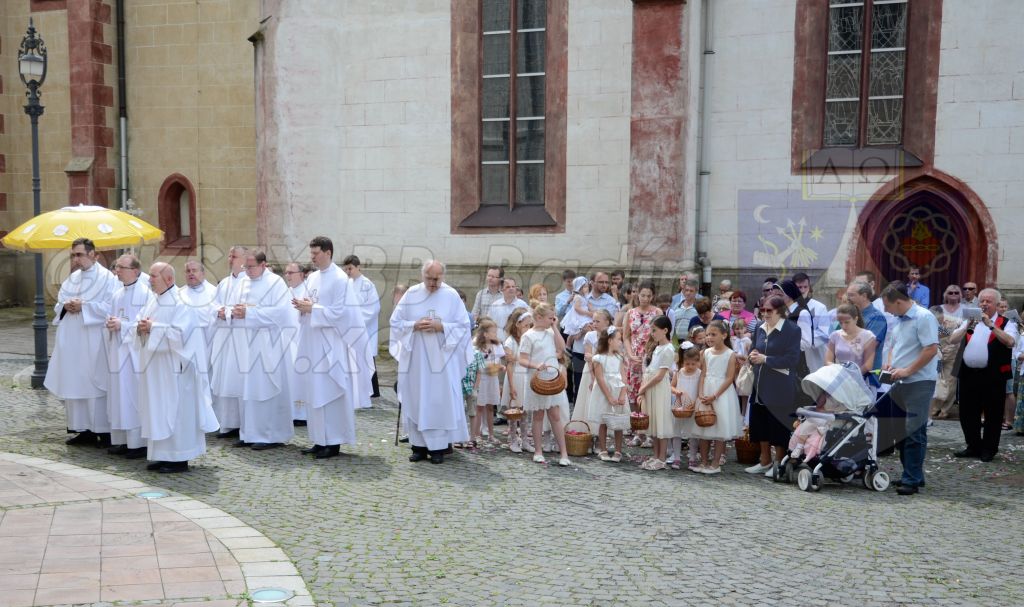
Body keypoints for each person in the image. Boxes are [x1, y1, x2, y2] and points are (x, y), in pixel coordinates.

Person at [132, 262, 219, 473]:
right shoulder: (154, 300)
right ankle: (162, 455)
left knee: (176, 411)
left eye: (154, 276)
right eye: (150, 276)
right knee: (158, 409)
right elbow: (141, 322)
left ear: (169, 279)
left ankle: (179, 458)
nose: (150, 279)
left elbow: (181, 335)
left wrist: (152, 327)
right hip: (156, 368)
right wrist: (141, 327)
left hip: (175, 368)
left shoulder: (182, 302)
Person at [390, 260, 472, 464]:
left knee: (438, 401)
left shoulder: (451, 296)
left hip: (441, 362)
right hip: (417, 360)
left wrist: (441, 326)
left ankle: (438, 449)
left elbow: (463, 327)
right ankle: (418, 447)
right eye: (429, 278)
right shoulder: (412, 294)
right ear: (422, 275)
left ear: (443, 277)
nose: (433, 283)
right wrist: (414, 325)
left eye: (437, 279)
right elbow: (396, 322)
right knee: (417, 398)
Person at [293, 236, 367, 459]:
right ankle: (318, 439)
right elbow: (312, 304)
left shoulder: (340, 279)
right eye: (311, 253)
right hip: (312, 342)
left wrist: (312, 309)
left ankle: (333, 442)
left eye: (316, 253)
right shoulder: (313, 277)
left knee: (330, 391)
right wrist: (302, 307)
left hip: (331, 345)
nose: (312, 257)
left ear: (328, 252)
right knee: (314, 390)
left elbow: (342, 313)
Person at [45, 238, 118, 448]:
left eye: (80, 254)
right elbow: (59, 303)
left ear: (93, 255)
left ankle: (103, 432)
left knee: (95, 382)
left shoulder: (107, 279)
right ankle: (82, 429)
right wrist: (66, 306)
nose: (76, 259)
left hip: (95, 339)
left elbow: (110, 306)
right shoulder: (72, 278)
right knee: (75, 382)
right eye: (74, 255)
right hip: (73, 339)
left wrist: (84, 306)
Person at [231, 251, 295, 451]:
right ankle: (249, 432)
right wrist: (231, 312)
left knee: (266, 388)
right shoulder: (242, 282)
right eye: (245, 267)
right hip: (246, 343)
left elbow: (283, 313)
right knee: (248, 390)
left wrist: (250, 313)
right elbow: (235, 306)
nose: (247, 271)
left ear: (263, 265)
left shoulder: (276, 283)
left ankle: (270, 434)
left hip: (269, 344)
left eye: (251, 267)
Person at [880, 281, 939, 495]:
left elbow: (931, 349)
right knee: (902, 432)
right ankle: (912, 474)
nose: (885, 310)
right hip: (900, 381)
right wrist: (890, 363)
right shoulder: (899, 319)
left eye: (887, 305)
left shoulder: (923, 317)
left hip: (919, 382)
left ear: (898, 301)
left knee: (914, 430)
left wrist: (907, 370)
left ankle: (911, 479)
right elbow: (895, 346)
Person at [950, 288, 1017, 462]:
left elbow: (1010, 342)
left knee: (993, 414)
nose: (985, 304)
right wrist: (967, 327)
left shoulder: (1006, 322)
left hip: (993, 376)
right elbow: (952, 339)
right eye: (982, 301)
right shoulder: (970, 321)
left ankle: (989, 448)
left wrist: (991, 325)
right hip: (968, 374)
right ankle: (973, 445)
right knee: (967, 413)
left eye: (988, 301)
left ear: (996, 304)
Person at [744, 295, 801, 476]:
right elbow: (755, 348)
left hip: (780, 385)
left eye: (769, 310)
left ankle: (778, 463)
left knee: (777, 425)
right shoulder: (760, 328)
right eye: (762, 310)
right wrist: (752, 356)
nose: (765, 313)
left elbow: (792, 359)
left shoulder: (792, 330)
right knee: (760, 422)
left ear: (780, 311)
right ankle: (765, 460)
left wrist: (765, 359)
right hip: (760, 383)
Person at [101, 254, 151, 459]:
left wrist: (123, 326)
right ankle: (121, 440)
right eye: (116, 267)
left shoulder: (145, 293)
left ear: (135, 271)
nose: (117, 271)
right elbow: (113, 317)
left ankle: (138, 443)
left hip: (134, 355)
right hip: (118, 352)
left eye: (121, 267)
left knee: (133, 396)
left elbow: (145, 324)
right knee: (118, 397)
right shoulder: (117, 294)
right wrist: (111, 323)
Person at [519, 303, 571, 466]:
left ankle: (564, 453)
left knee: (555, 415)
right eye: (550, 318)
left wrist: (555, 328)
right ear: (539, 317)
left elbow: (562, 348)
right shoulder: (528, 336)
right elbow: (522, 359)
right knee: (538, 415)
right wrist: (536, 365)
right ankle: (538, 451)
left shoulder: (550, 332)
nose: (553, 320)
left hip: (552, 378)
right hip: (537, 379)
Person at [209, 245, 249, 439]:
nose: (230, 258)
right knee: (224, 379)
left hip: (240, 339)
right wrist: (218, 310)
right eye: (230, 255)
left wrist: (228, 312)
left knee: (238, 380)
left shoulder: (248, 282)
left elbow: (245, 308)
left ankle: (242, 423)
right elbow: (214, 304)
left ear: (244, 259)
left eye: (234, 256)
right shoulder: (223, 283)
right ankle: (227, 423)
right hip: (224, 337)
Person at [691, 321, 741, 474]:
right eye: (707, 335)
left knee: (720, 428)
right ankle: (704, 461)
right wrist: (700, 393)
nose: (709, 338)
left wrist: (714, 395)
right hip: (706, 390)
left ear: (724, 335)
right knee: (704, 428)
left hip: (721, 394)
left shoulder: (730, 354)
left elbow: (729, 377)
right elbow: (703, 374)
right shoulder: (705, 353)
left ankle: (715, 463)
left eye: (713, 334)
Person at [622, 281, 659, 449]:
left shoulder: (657, 312)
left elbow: (661, 334)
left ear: (652, 296)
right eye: (642, 295)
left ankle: (651, 432)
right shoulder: (630, 313)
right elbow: (626, 336)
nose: (645, 298)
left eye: (648, 296)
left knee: (649, 393)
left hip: (650, 355)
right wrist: (630, 354)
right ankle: (638, 431)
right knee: (635, 395)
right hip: (634, 358)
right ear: (638, 295)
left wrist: (651, 353)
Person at [342, 254, 382, 403]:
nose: (348, 272)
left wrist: (357, 321)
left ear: (359, 267)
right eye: (346, 269)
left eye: (350, 268)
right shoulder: (347, 284)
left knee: (367, 357)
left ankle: (373, 391)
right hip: (350, 328)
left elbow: (373, 307)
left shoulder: (367, 284)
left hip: (364, 328)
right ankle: (356, 388)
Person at [636, 315, 674, 470]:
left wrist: (643, 388)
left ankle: (662, 458)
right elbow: (651, 370)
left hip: (658, 388)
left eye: (655, 330)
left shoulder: (668, 349)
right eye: (651, 330)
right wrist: (644, 388)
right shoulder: (657, 348)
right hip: (651, 386)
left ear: (665, 330)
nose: (652, 333)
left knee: (661, 422)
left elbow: (660, 375)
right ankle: (656, 455)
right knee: (653, 422)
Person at [570, 310, 613, 441]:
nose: (594, 324)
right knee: (589, 401)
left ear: (607, 322)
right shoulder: (590, 336)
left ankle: (603, 435)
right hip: (591, 372)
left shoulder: (612, 335)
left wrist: (594, 357)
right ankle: (589, 433)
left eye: (598, 321)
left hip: (607, 371)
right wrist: (593, 377)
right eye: (593, 321)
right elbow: (588, 359)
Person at [591, 327, 627, 463]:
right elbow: (599, 379)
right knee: (603, 420)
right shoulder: (598, 358)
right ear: (610, 341)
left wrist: (623, 394)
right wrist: (609, 397)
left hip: (618, 390)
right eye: (618, 339)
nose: (621, 342)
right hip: (604, 392)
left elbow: (624, 377)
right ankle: (603, 449)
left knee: (619, 420)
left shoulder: (619, 357)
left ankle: (618, 450)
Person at [501, 308, 533, 452]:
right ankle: (513, 439)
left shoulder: (528, 340)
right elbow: (509, 365)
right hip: (515, 378)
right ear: (518, 324)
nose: (528, 328)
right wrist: (512, 386)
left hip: (526, 377)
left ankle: (525, 440)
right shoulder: (510, 342)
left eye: (530, 326)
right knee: (514, 410)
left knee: (525, 411)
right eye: (526, 325)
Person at [471, 319, 505, 446]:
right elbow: (475, 363)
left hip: (493, 378)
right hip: (482, 379)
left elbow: (499, 361)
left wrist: (500, 367)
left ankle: (491, 434)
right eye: (493, 332)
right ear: (485, 334)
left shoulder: (497, 345)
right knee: (479, 407)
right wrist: (488, 366)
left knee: (491, 406)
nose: (495, 335)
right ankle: (477, 434)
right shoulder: (476, 346)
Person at [929, 305, 964, 420]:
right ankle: (935, 408)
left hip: (952, 357)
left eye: (939, 320)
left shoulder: (955, 322)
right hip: (937, 357)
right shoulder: (928, 321)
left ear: (942, 316)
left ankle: (945, 410)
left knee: (950, 383)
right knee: (937, 380)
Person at [825, 304, 877, 377]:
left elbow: (868, 365)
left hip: (859, 379)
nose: (843, 326)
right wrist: (838, 372)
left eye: (847, 322)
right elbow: (828, 361)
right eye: (840, 323)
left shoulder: (868, 336)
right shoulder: (834, 335)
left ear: (855, 319)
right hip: (838, 378)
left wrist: (852, 376)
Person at [672, 346, 702, 471]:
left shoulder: (699, 374)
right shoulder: (679, 373)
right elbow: (671, 386)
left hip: (693, 406)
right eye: (687, 363)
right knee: (677, 432)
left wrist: (696, 402)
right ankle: (677, 457)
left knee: (693, 433)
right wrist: (676, 391)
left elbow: (701, 390)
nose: (690, 366)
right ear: (683, 362)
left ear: (698, 362)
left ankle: (692, 458)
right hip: (680, 406)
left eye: (693, 364)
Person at [792, 273, 830, 373]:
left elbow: (824, 334)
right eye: (799, 287)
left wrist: (802, 341)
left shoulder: (820, 308)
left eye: (806, 287)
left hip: (813, 354)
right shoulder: (789, 307)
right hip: (792, 355)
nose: (803, 290)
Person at [489, 277, 529, 342]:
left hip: (517, 342)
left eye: (513, 286)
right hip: (498, 342)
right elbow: (489, 325)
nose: (511, 289)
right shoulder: (495, 305)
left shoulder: (523, 305)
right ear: (502, 289)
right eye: (508, 287)